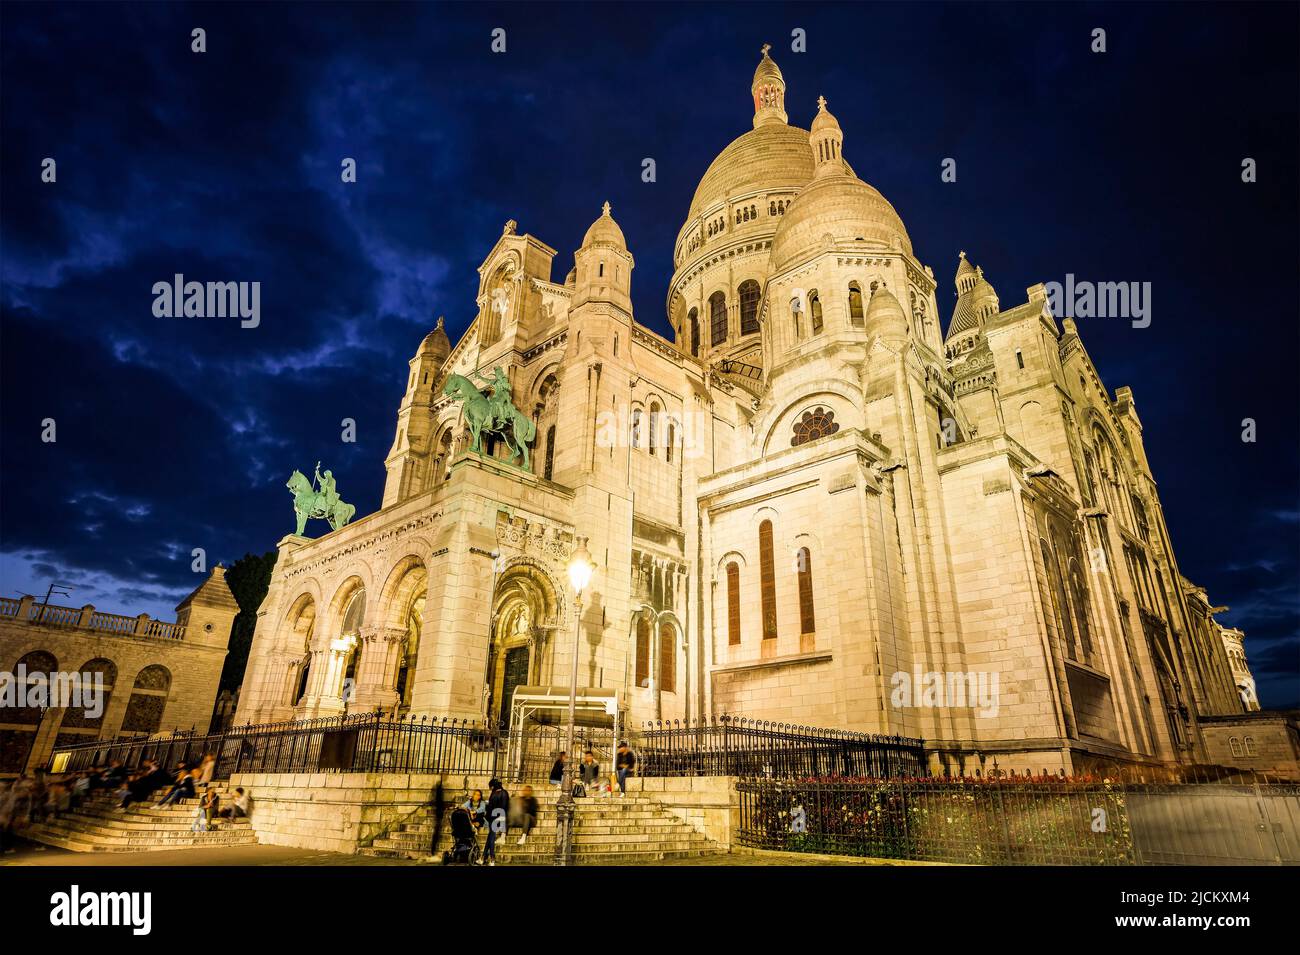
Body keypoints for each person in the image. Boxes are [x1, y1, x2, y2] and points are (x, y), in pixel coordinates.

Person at [482, 778, 509, 867]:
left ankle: (492, 858)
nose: (490, 788)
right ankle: (482, 858)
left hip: (494, 817)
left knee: (491, 837)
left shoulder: (494, 793)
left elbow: (491, 806)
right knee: (490, 837)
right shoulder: (504, 792)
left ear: (492, 786)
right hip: (498, 816)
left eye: (491, 787)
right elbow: (504, 807)